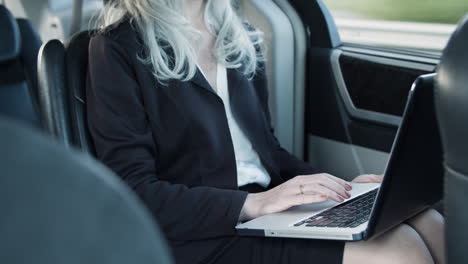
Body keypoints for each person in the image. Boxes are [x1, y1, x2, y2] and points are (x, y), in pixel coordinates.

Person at [86, 0, 445, 263]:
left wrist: (348, 189)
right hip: (196, 231)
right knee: (401, 252)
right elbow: (132, 190)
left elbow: (266, 155)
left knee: (429, 222)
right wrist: (252, 204)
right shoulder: (117, 48)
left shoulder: (241, 37)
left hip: (263, 212)